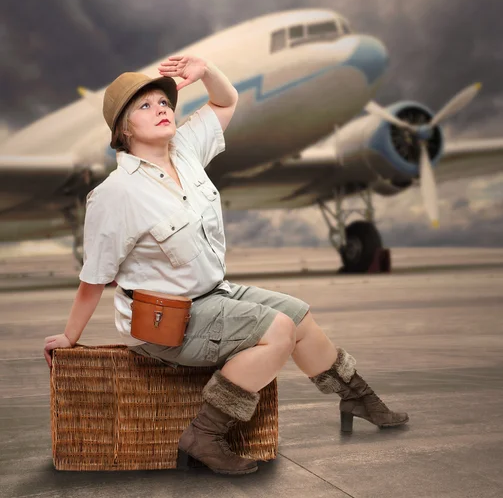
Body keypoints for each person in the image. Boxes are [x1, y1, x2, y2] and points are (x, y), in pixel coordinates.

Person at [44, 55, 409, 476]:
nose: (161, 109)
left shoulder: (185, 151)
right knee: (279, 332)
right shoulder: (116, 193)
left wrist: (207, 72)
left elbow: (224, 103)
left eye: (163, 103)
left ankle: (355, 397)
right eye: (144, 107)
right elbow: (94, 279)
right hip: (164, 320)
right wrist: (70, 337)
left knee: (300, 315)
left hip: (214, 295)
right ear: (123, 130)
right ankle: (205, 434)